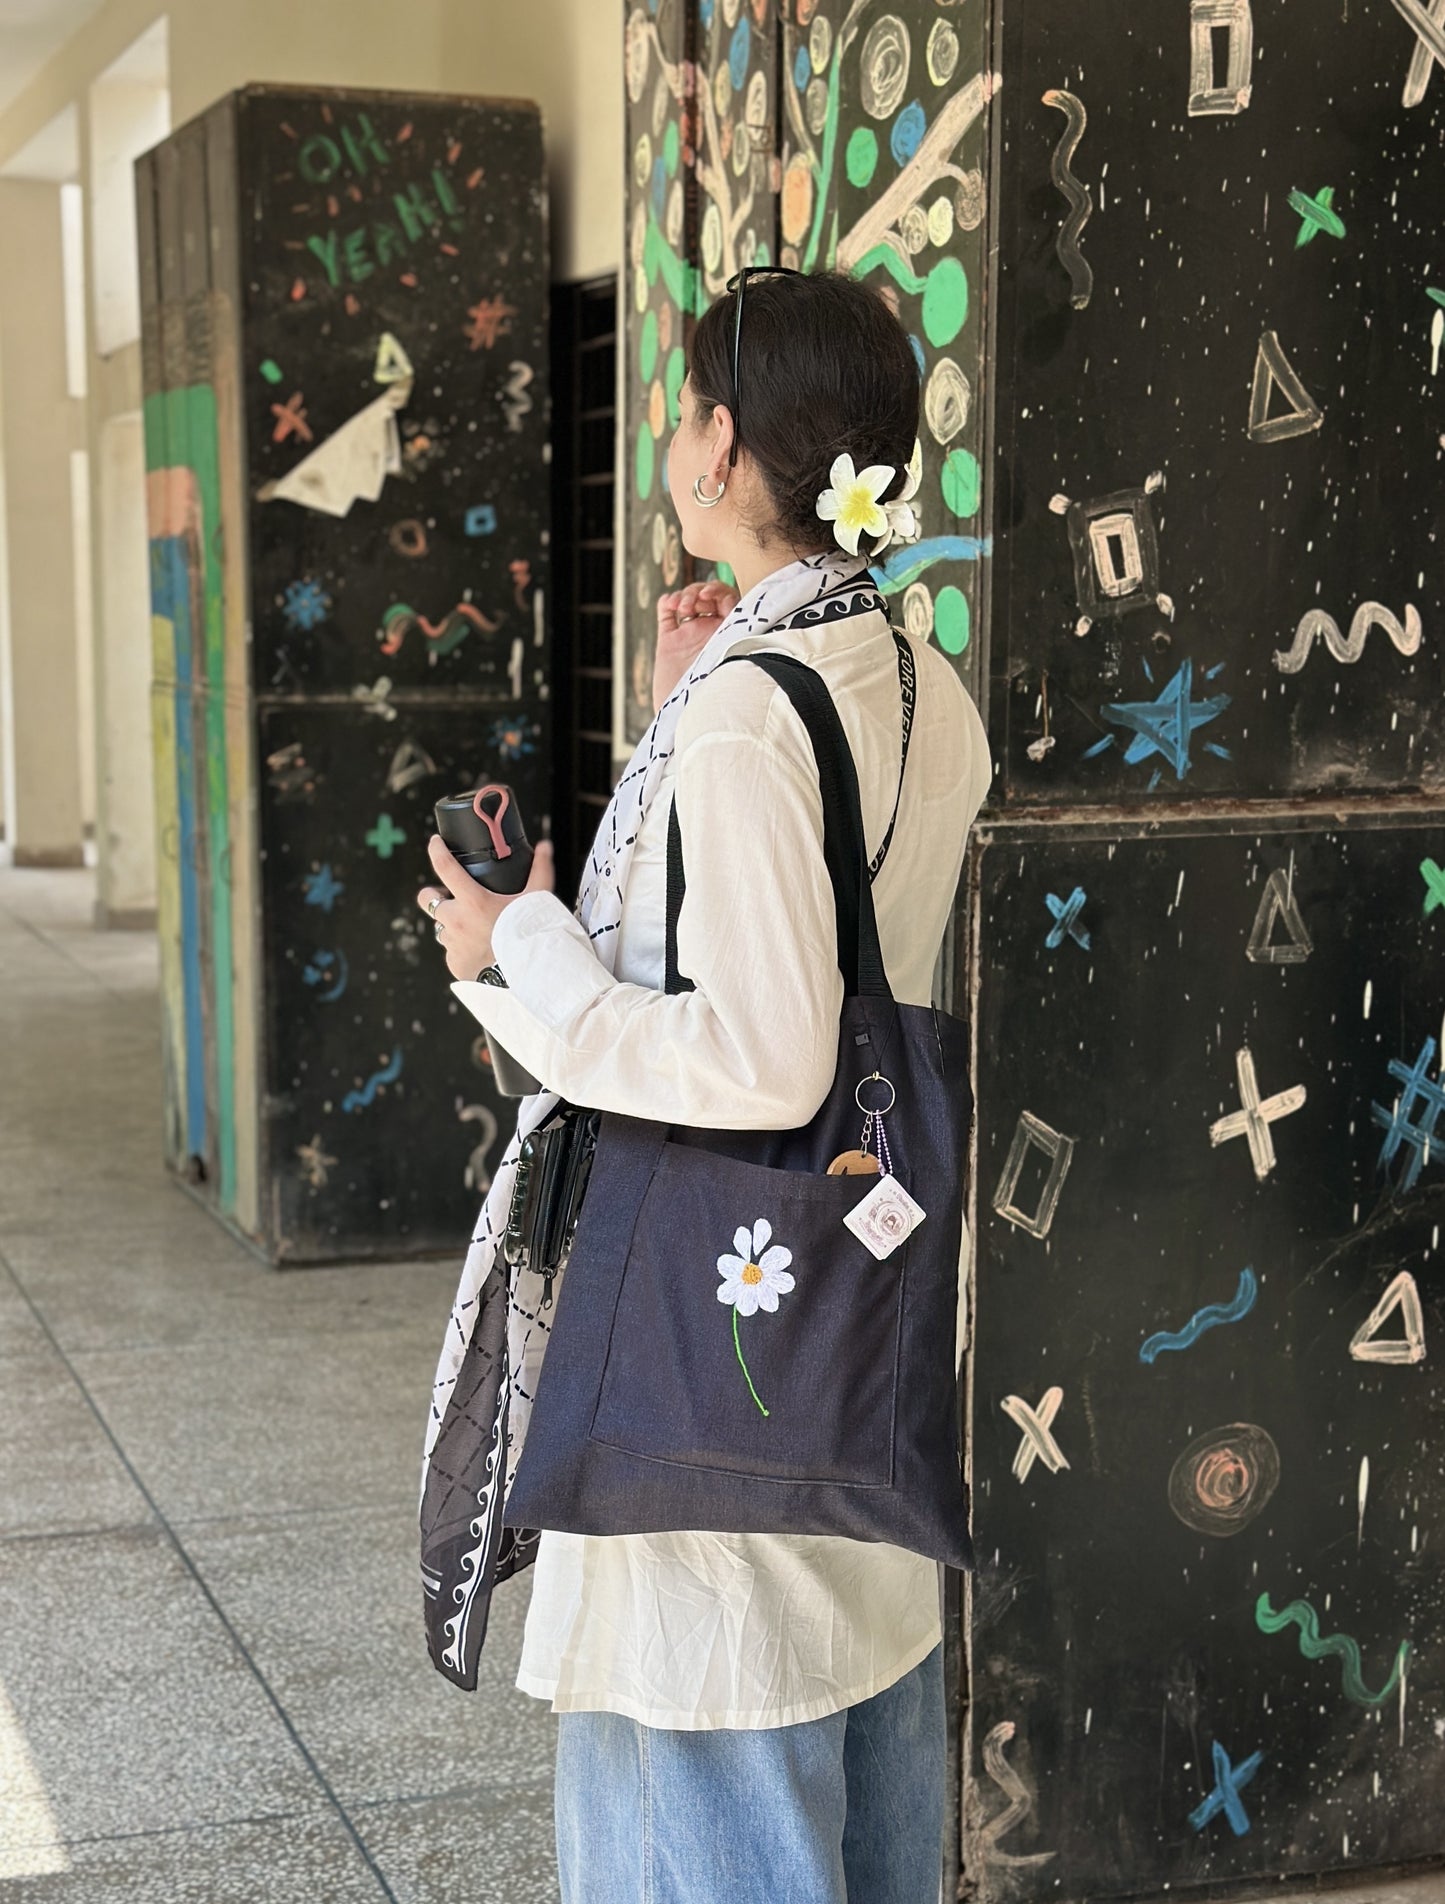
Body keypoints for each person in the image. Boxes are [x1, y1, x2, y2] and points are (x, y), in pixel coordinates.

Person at [417, 268, 992, 1902]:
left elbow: (757, 1052)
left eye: (683, 409)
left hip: (707, 1332)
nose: (675, 437)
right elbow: (852, 935)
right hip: (854, 1307)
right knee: (863, 1757)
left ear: (722, 448)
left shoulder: (749, 716)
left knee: (700, 1764)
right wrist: (695, 706)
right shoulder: (907, 674)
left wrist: (517, 950)